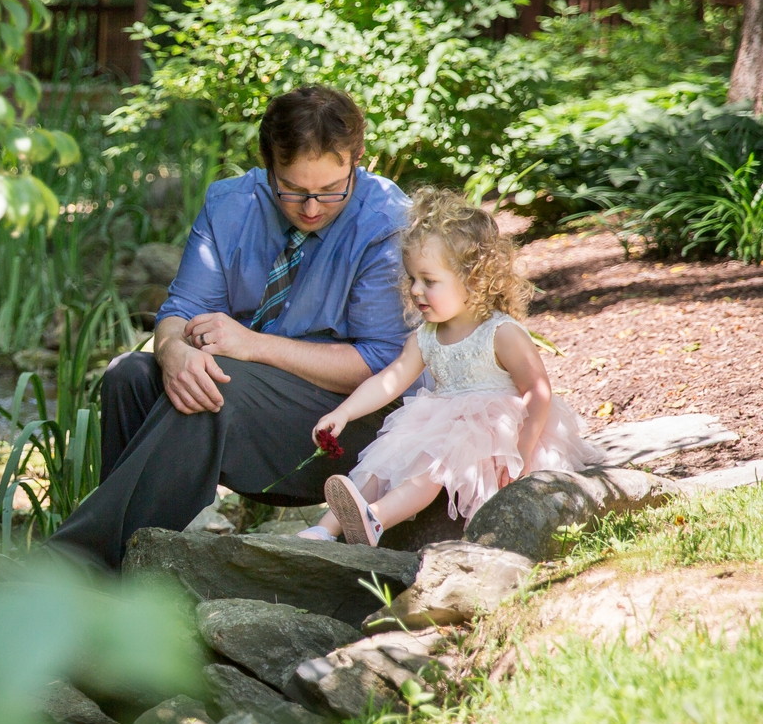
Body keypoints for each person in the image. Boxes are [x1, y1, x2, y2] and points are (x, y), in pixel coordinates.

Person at [48, 85, 415, 571]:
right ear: (267, 164)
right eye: (292, 188)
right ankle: (140, 568)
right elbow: (180, 309)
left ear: (358, 159)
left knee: (218, 384)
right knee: (130, 377)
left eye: (330, 190)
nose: (310, 207)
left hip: (350, 432)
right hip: (251, 409)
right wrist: (172, 352)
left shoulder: (386, 221)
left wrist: (253, 345)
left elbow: (381, 365)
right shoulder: (229, 205)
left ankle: (76, 564)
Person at [297, 188, 604, 546]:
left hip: (496, 433)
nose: (415, 290)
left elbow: (537, 392)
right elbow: (390, 380)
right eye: (412, 279)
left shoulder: (500, 333)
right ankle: (325, 528)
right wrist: (344, 412)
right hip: (441, 423)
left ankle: (376, 519)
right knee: (383, 460)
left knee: (431, 466)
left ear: (473, 280)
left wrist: (521, 449)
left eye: (429, 281)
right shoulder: (426, 336)